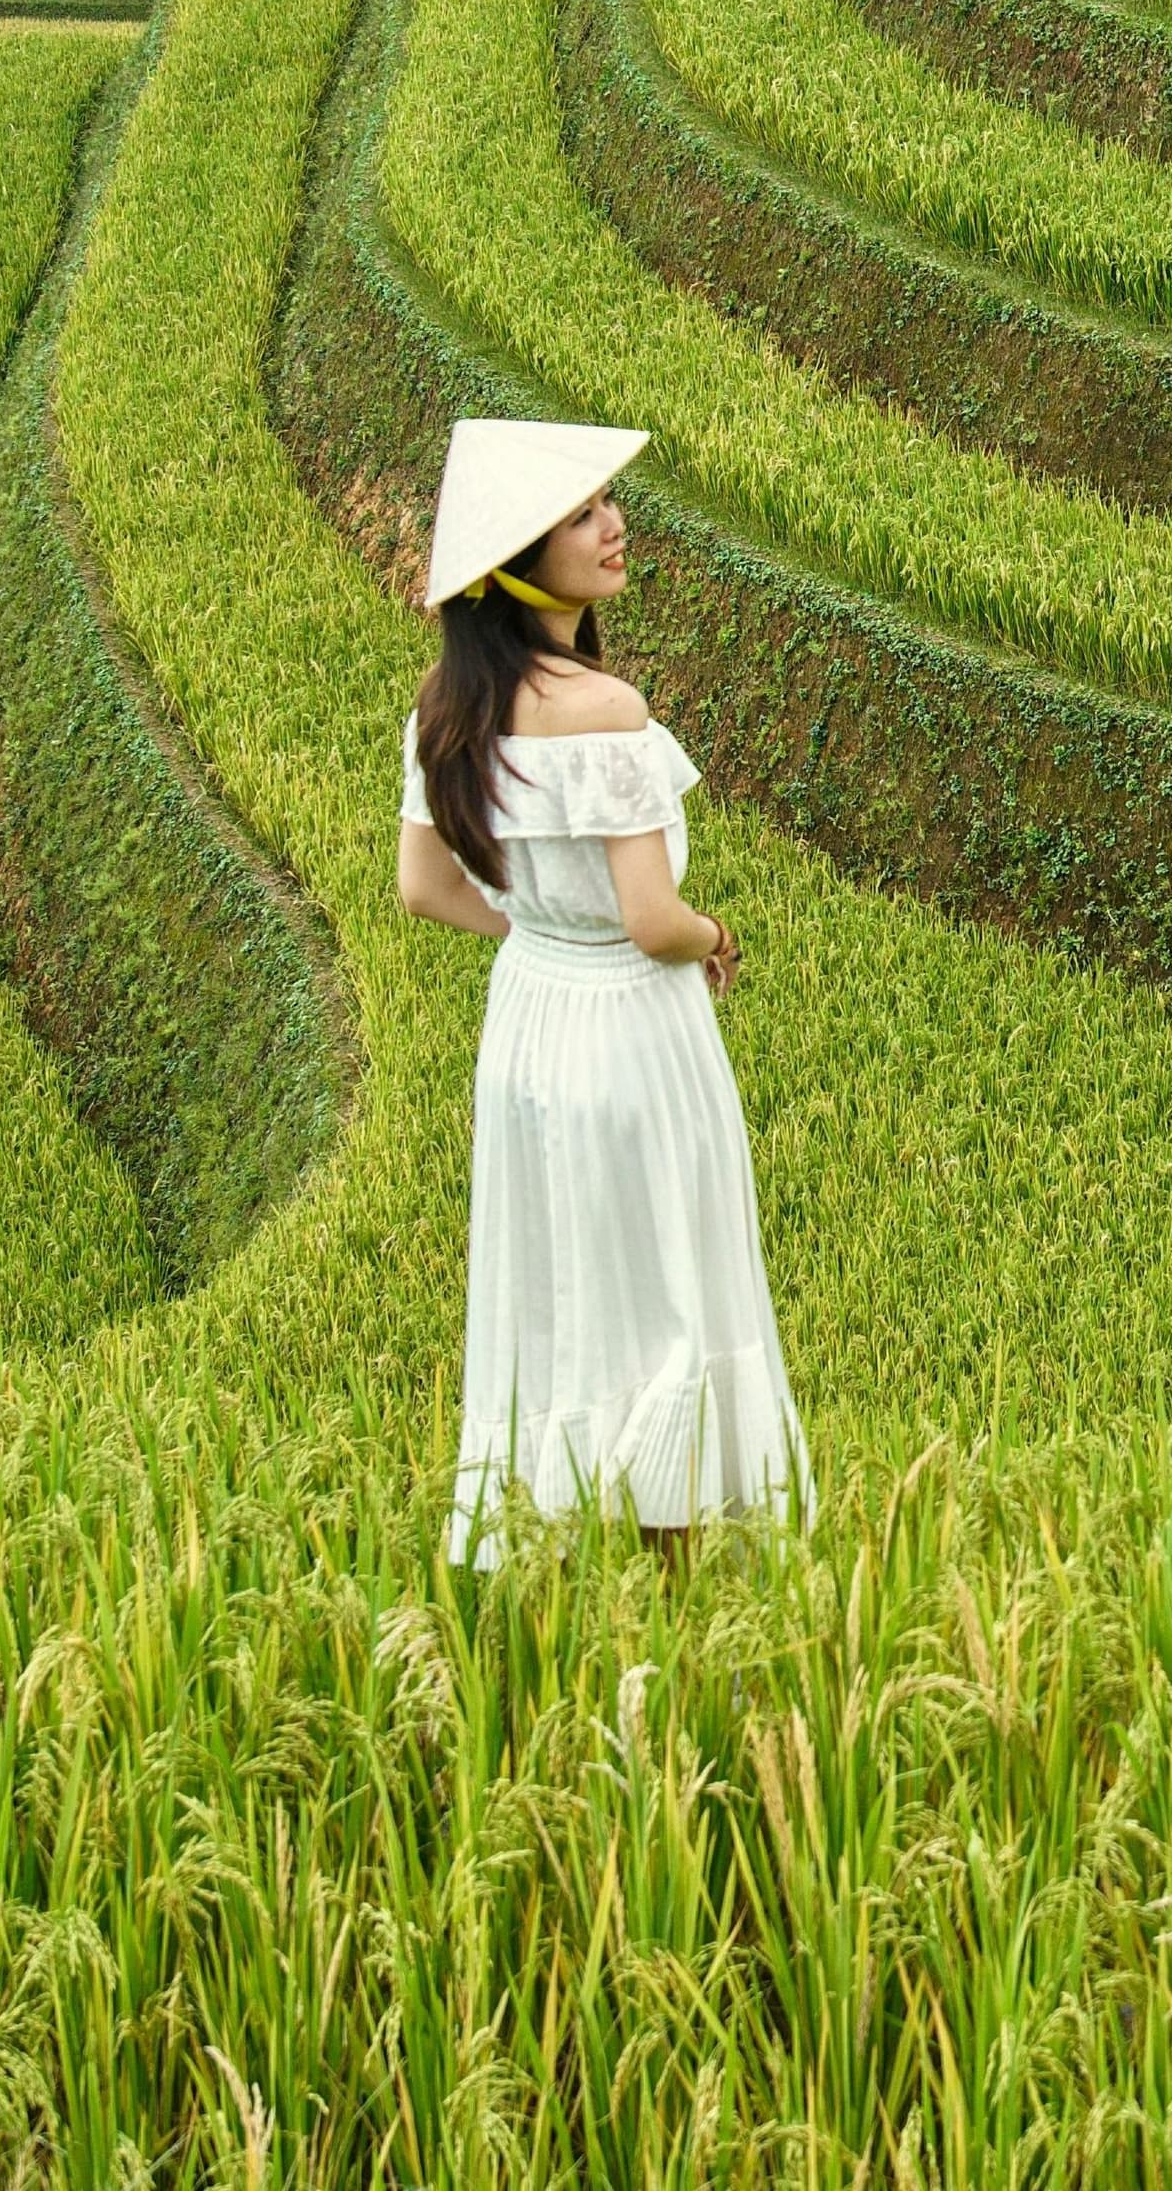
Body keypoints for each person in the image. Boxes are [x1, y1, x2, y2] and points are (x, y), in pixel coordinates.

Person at [397, 419, 807, 1569]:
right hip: (633, 1027)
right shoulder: (609, 713)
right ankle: (671, 1568)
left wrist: (534, 926)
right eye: (582, 514)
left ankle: (560, 1533)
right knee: (672, 1285)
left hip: (529, 1024)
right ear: (519, 560)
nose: (614, 525)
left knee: (563, 1279)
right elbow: (652, 920)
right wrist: (715, 933)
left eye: (607, 504)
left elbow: (423, 889)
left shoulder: (444, 714)